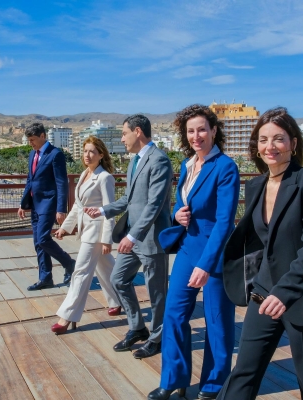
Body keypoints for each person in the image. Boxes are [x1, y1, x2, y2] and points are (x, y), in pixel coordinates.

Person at [218, 107, 303, 399]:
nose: (270, 146)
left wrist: (284, 293)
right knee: (244, 371)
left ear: (293, 144)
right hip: (264, 292)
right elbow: (261, 242)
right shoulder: (256, 185)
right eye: (263, 139)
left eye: (279, 139)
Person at [148, 105, 240, 400]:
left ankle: (213, 386)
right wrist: (178, 214)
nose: (196, 136)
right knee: (174, 315)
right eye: (191, 131)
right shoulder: (188, 165)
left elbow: (225, 221)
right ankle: (173, 380)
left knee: (217, 322)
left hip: (214, 253)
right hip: (188, 248)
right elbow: (181, 202)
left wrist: (207, 263)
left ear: (214, 131)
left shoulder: (225, 167)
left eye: (202, 129)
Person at [85, 114, 173, 359]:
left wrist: (132, 236)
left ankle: (158, 338)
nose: (122, 139)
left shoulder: (160, 161)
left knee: (157, 294)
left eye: (124, 134)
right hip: (133, 238)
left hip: (151, 238)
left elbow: (154, 205)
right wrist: (102, 210)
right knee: (118, 279)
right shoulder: (135, 161)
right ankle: (137, 327)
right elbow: (130, 200)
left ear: (138, 131)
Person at [51, 136, 123, 334]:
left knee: (80, 272)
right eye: (85, 151)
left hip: (96, 234)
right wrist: (66, 227)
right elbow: (78, 206)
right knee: (106, 269)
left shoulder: (105, 177)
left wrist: (107, 239)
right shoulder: (84, 175)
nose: (87, 155)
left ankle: (67, 315)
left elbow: (109, 209)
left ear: (101, 155)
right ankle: (118, 300)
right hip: (86, 230)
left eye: (92, 151)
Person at [18, 122, 75, 290]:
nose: (31, 143)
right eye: (29, 140)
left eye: (33, 140)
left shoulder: (55, 154)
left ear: (43, 136)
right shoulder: (32, 155)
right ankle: (45, 278)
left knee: (43, 238)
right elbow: (30, 180)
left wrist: (61, 209)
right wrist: (23, 204)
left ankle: (69, 262)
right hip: (35, 205)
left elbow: (61, 183)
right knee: (38, 242)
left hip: (49, 204)